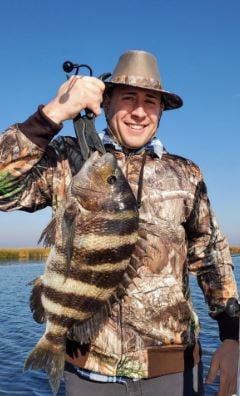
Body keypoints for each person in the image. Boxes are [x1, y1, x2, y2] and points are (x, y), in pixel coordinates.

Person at [0, 50, 239, 396]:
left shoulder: (186, 173)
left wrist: (232, 337)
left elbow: (212, 256)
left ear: (160, 110)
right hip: (88, 374)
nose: (140, 112)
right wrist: (52, 114)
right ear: (107, 103)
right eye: (129, 98)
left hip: (174, 371)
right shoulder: (67, 160)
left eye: (151, 101)